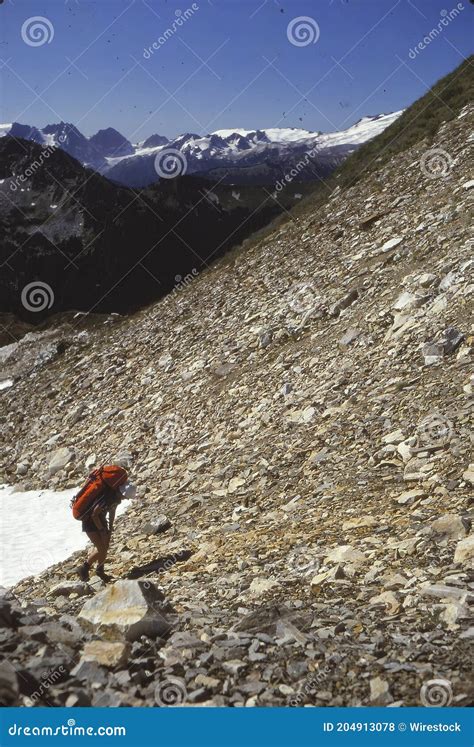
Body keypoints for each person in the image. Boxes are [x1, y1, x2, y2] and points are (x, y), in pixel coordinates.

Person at [76, 478, 136, 582]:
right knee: (101, 547)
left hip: (101, 520)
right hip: (90, 521)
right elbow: (94, 514)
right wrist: (103, 530)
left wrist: (110, 528)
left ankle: (100, 570)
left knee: (105, 546)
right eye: (126, 497)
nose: (126, 499)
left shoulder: (116, 498)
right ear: (122, 493)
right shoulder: (108, 498)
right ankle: (84, 568)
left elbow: (112, 512)